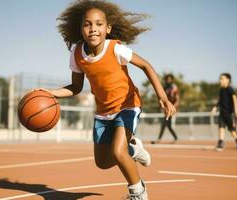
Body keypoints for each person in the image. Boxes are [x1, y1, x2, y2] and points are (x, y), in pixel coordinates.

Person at [36, 1, 176, 199]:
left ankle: (138, 192)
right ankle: (133, 149)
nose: (93, 29)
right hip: (103, 112)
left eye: (99, 24)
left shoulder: (115, 49)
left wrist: (163, 97)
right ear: (81, 29)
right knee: (102, 162)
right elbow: (76, 87)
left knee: (118, 153)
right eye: (88, 24)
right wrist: (50, 93)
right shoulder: (77, 54)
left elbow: (146, 66)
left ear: (108, 28)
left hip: (128, 105)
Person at [212, 73, 237, 151]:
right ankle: (221, 143)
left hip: (229, 113)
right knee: (221, 127)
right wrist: (215, 107)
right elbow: (220, 100)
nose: (220, 81)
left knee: (231, 130)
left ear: (228, 80)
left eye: (222, 79)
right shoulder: (221, 90)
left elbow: (235, 98)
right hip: (222, 113)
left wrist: (236, 110)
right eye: (220, 79)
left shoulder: (230, 89)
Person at [152, 74, 179, 144]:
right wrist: (162, 107)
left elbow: (177, 101)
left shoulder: (174, 88)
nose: (168, 80)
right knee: (167, 125)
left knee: (164, 124)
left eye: (169, 79)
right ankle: (175, 138)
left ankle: (159, 139)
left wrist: (173, 108)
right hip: (167, 109)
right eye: (167, 79)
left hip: (171, 110)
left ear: (172, 79)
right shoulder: (165, 88)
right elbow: (162, 98)